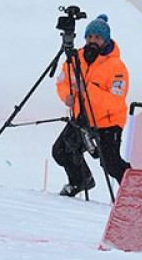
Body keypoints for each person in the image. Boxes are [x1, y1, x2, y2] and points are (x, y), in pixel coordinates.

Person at [52, 14, 131, 197]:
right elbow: (62, 82)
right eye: (89, 37)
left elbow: (115, 101)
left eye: (97, 37)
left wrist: (88, 90)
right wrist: (67, 96)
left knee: (111, 164)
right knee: (60, 151)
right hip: (82, 118)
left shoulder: (117, 67)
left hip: (108, 121)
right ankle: (81, 180)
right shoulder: (75, 58)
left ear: (106, 40)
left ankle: (132, 193)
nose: (92, 41)